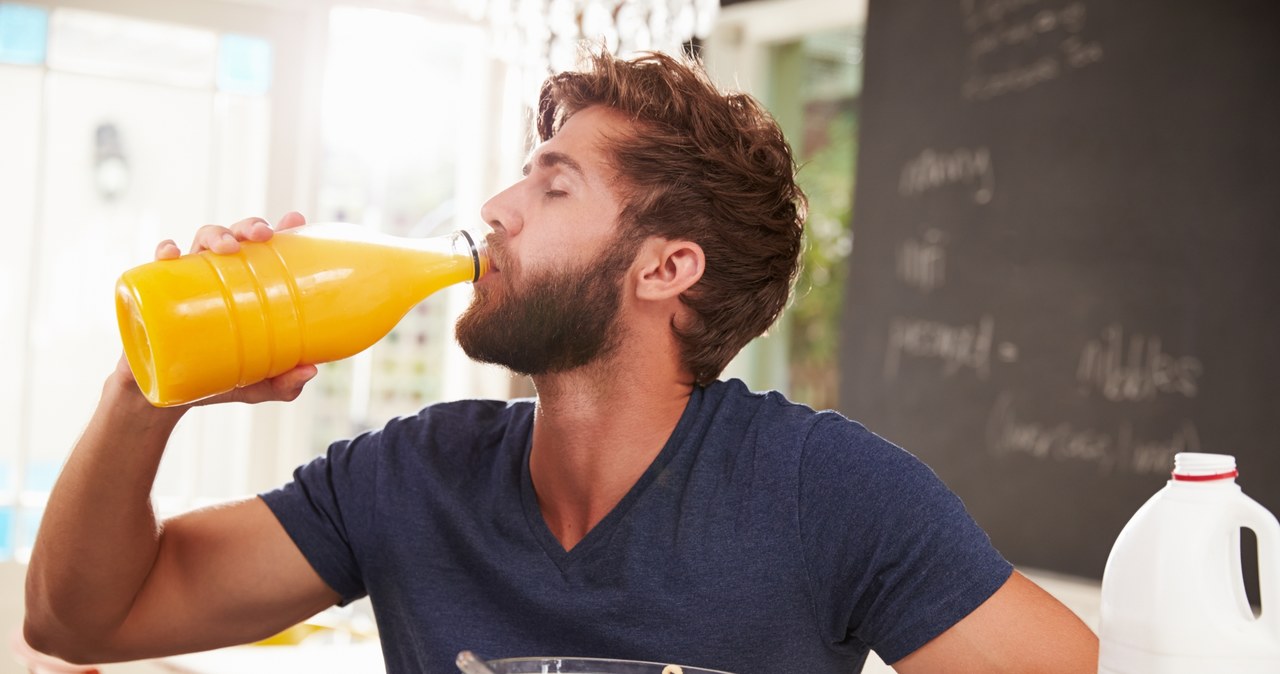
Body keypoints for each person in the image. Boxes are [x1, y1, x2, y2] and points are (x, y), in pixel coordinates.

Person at [24, 50, 1098, 673]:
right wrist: (144, 389)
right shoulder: (412, 473)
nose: (494, 209)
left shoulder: (826, 492)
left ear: (664, 267)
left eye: (552, 185)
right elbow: (80, 618)